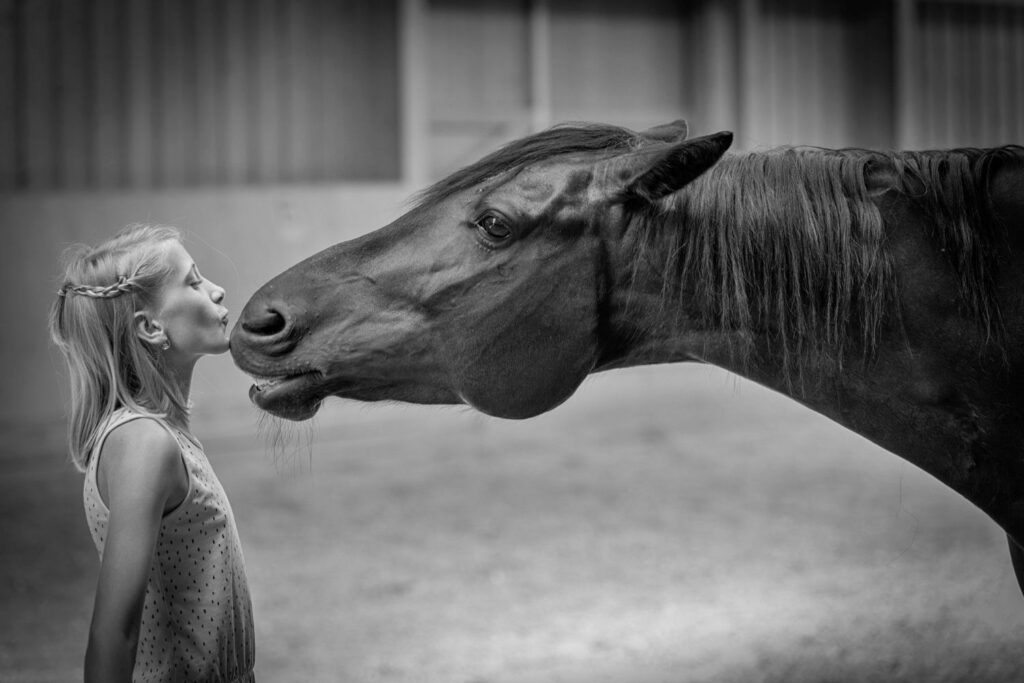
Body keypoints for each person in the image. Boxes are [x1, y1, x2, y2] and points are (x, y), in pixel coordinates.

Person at [48, 224, 255, 683]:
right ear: (150, 327)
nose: (218, 291)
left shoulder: (160, 435)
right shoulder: (145, 442)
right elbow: (112, 636)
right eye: (195, 281)